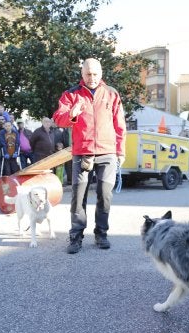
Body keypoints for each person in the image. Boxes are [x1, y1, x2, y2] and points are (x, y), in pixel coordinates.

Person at [52, 58, 126, 254]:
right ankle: (76, 236)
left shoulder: (112, 93)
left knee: (105, 196)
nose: (91, 78)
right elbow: (58, 119)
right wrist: (72, 114)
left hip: (107, 153)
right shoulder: (71, 94)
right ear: (82, 74)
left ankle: (101, 234)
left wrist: (121, 151)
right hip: (82, 153)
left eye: (95, 74)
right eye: (88, 74)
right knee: (78, 197)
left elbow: (120, 125)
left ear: (101, 73)